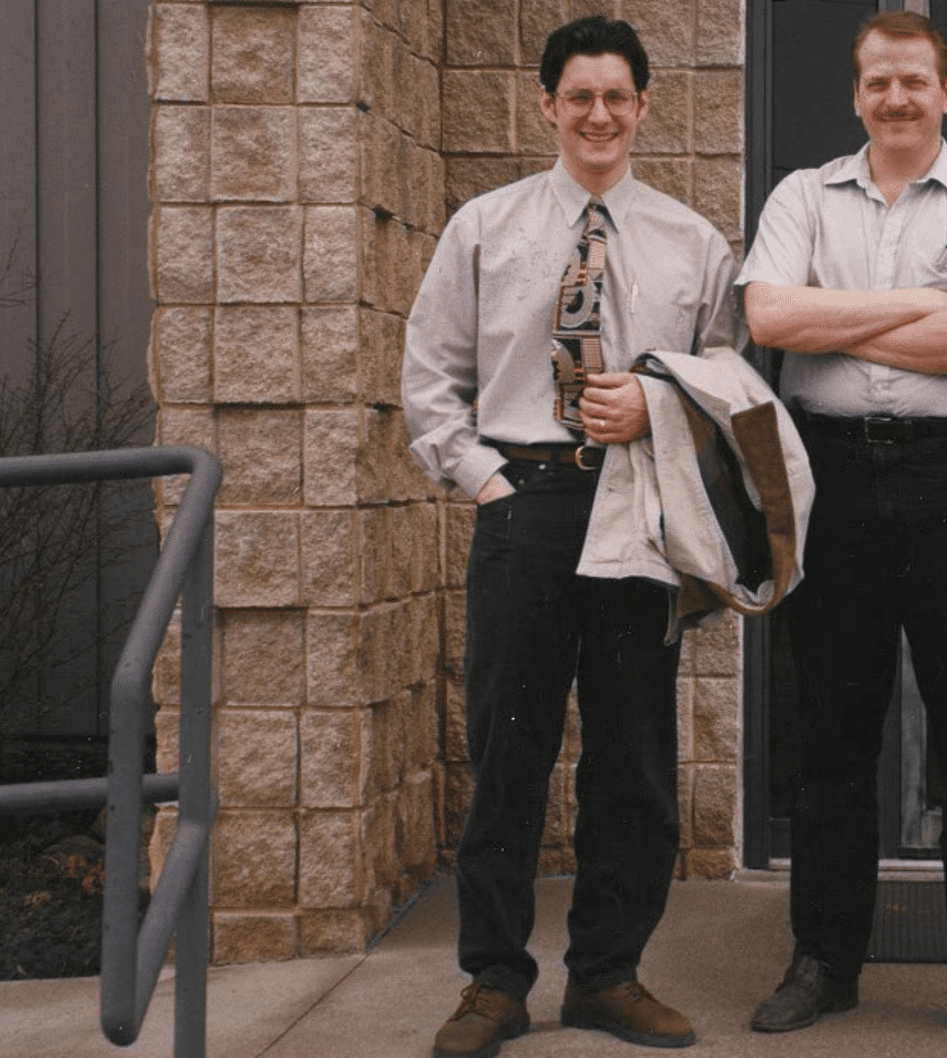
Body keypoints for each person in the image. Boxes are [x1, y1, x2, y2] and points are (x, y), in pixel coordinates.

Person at [401, 16, 746, 1058]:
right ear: (548, 105)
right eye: (579, 96)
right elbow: (430, 379)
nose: (599, 113)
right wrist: (489, 481)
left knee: (634, 757)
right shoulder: (482, 227)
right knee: (509, 751)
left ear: (644, 108)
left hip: (637, 507)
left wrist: (658, 410)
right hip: (527, 503)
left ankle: (606, 973)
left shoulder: (694, 245)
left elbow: (731, 389)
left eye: (617, 96)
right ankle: (493, 980)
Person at [736, 11, 947, 1055]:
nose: (896, 98)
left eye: (914, 81)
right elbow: (774, 322)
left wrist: (847, 309)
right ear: (856, 92)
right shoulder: (799, 197)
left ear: (945, 92)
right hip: (829, 471)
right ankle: (823, 960)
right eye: (878, 82)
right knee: (830, 739)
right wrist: (922, 303)